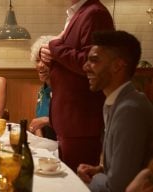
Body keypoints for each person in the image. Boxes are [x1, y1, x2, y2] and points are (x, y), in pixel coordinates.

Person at [39, 0, 115, 170]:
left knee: (77, 183)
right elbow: (68, 57)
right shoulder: (78, 13)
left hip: (81, 120)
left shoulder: (95, 13)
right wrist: (47, 53)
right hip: (70, 121)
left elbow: (93, 62)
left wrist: (54, 47)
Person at [77, 30, 153, 192]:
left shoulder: (130, 110)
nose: (85, 67)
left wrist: (95, 179)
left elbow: (117, 187)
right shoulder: (118, 102)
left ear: (117, 65)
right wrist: (100, 170)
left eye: (94, 60)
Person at [28, 35, 56, 140]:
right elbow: (37, 122)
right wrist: (40, 141)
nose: (40, 65)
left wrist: (46, 120)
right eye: (37, 60)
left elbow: (70, 123)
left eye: (44, 61)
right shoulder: (42, 90)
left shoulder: (64, 90)